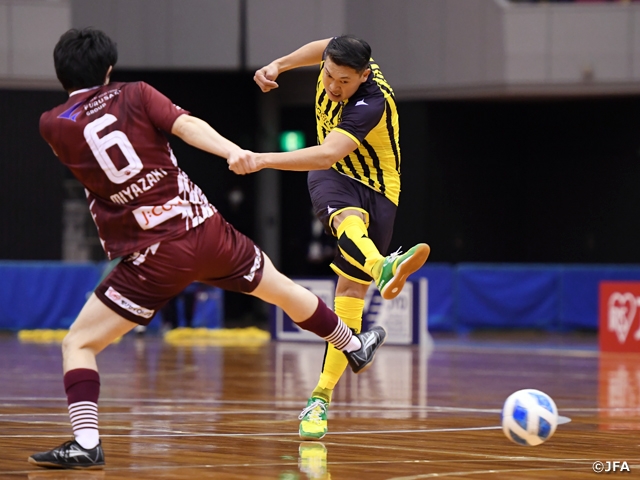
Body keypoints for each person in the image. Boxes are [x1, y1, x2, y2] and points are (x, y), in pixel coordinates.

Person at [28, 28, 386, 470]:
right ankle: (353, 343)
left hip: (152, 250)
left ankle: (85, 442)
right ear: (108, 69)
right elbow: (186, 125)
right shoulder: (136, 93)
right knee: (277, 287)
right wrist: (234, 152)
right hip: (204, 227)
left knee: (79, 342)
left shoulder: (52, 124)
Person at [228, 35, 430, 440]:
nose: (334, 87)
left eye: (344, 82)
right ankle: (382, 267)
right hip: (334, 178)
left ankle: (320, 396)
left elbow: (326, 152)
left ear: (364, 76)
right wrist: (279, 64)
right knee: (346, 221)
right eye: (329, 76)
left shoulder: (373, 101)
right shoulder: (332, 59)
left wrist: (262, 159)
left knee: (350, 297)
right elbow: (315, 49)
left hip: (379, 188)